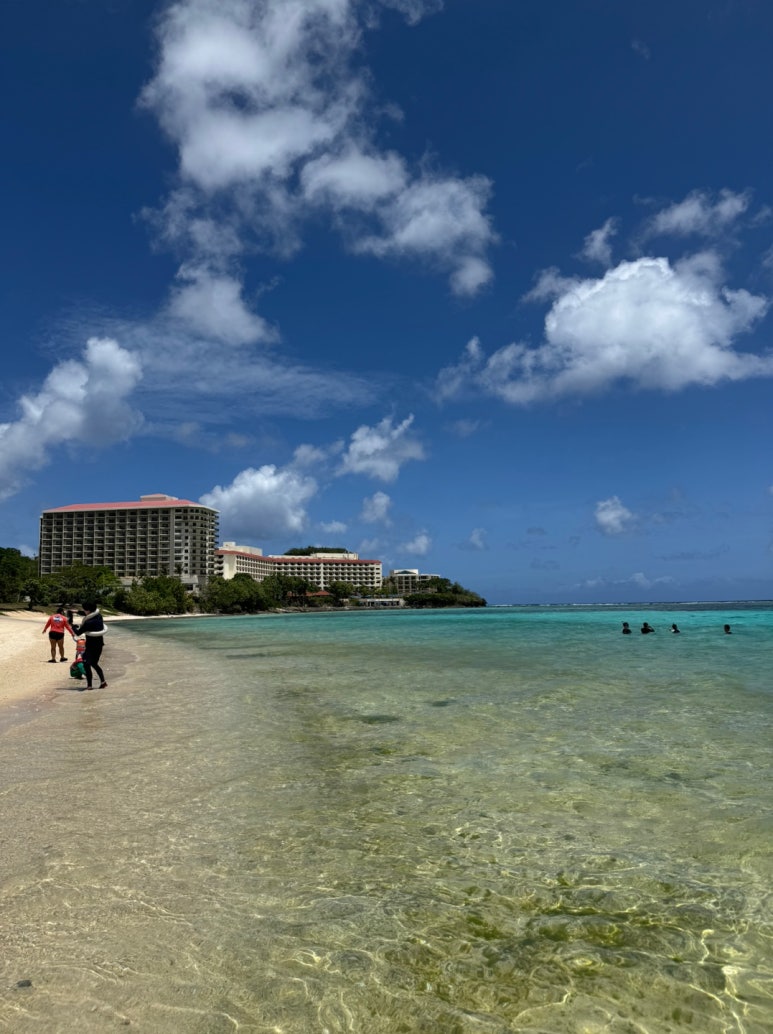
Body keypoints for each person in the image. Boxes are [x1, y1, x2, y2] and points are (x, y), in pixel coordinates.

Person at [74, 602, 108, 690]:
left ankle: (89, 686)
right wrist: (77, 612)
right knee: (94, 663)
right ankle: (103, 682)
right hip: (99, 645)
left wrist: (73, 626)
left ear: (88, 610)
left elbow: (78, 633)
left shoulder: (88, 623)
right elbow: (89, 614)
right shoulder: (99, 617)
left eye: (85, 609)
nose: (84, 611)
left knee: (86, 664)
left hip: (90, 646)